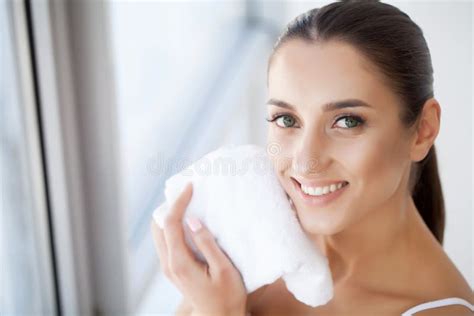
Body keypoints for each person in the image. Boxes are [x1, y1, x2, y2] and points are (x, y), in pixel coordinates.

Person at [151, 1, 474, 315]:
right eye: (286, 120)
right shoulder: (252, 248)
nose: (305, 161)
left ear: (423, 131)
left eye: (347, 121)